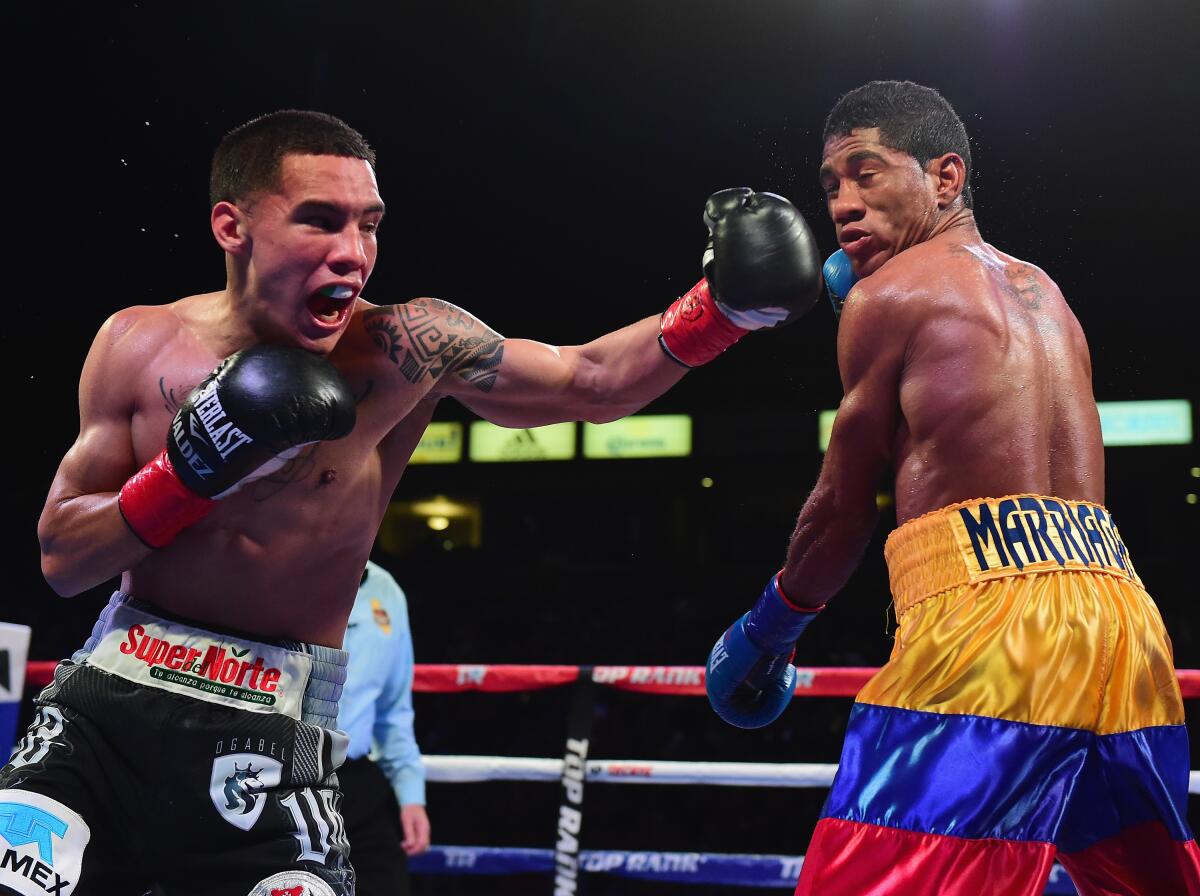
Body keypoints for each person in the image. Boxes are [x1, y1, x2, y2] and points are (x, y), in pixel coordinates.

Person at [1, 109, 821, 896]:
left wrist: (720, 312)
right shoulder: (139, 345)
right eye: (320, 221)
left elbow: (590, 381)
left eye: (369, 224)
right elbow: (63, 561)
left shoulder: (406, 349)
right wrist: (186, 476)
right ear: (232, 227)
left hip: (273, 727)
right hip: (106, 710)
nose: (353, 253)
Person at [705, 81, 1199, 896]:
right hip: (1123, 624)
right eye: (831, 186)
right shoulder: (1049, 294)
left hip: (991, 630)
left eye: (866, 174)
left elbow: (840, 512)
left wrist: (767, 631)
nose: (842, 203)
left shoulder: (885, 297)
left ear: (945, 177)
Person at [338, 561, 429, 896]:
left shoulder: (385, 590)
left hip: (355, 781)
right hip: (280, 776)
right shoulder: (279, 571)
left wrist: (411, 797)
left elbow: (393, 711)